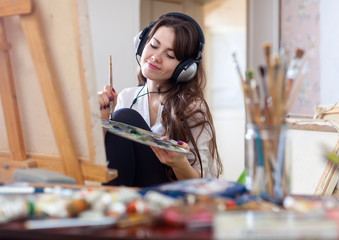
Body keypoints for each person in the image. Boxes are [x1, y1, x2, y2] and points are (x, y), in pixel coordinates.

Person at [97, 12, 223, 187]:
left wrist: (179, 162)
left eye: (170, 56)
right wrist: (103, 121)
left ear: (185, 68)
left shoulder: (193, 107)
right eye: (154, 45)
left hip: (177, 198)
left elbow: (200, 184)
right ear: (142, 43)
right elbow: (109, 163)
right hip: (134, 194)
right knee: (122, 116)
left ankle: (111, 209)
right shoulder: (127, 97)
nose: (156, 57)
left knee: (125, 117)